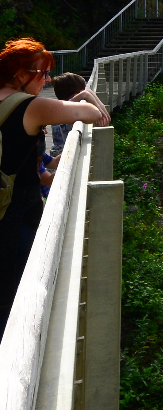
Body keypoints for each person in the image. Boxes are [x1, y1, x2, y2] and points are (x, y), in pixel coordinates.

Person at [0, 38, 109, 335]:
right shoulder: (30, 107)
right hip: (14, 215)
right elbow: (90, 114)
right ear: (22, 75)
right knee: (15, 293)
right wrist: (87, 94)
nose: (47, 80)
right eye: (43, 73)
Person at [49, 72, 87, 154]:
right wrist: (85, 95)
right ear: (75, 95)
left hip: (56, 152)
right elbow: (97, 114)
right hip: (64, 154)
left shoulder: (59, 107)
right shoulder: (70, 109)